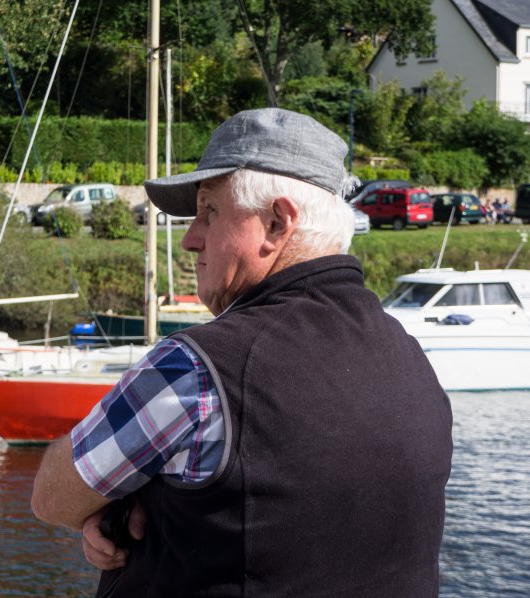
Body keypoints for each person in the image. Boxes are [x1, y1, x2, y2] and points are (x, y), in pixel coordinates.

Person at [31, 108, 453, 596]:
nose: (190, 239)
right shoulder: (413, 362)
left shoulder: (196, 368)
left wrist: (117, 505)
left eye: (209, 211)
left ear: (278, 223)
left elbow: (53, 497)